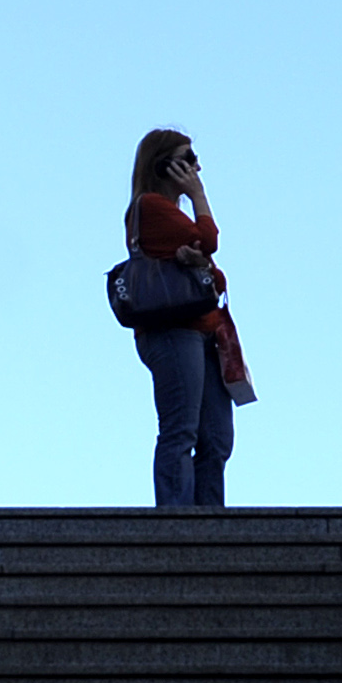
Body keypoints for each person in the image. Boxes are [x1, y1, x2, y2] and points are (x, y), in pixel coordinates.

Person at [124, 128, 254, 509]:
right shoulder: (151, 206)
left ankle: (210, 520)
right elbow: (209, 241)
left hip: (204, 332)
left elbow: (212, 273)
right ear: (163, 166)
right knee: (180, 430)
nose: (197, 167)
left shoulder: (171, 215)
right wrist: (199, 196)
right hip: (173, 332)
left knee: (217, 438)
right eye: (188, 158)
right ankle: (176, 521)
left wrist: (205, 266)